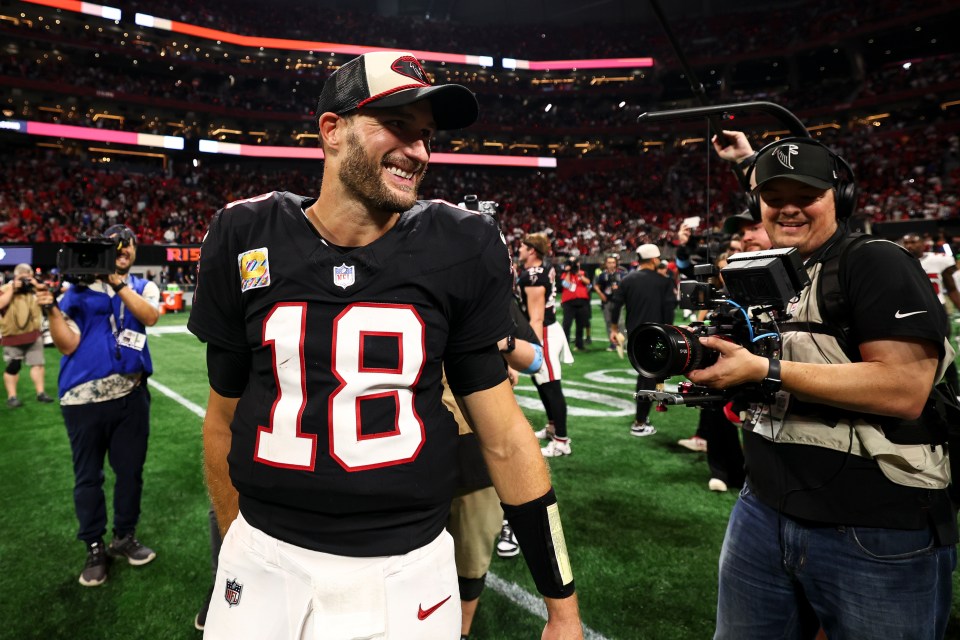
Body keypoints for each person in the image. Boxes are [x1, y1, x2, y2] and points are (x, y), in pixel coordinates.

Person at [187, 51, 581, 640]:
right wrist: (239, 542)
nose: (419, 151)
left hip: (409, 566)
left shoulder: (462, 243)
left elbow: (503, 439)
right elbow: (222, 421)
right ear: (331, 130)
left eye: (426, 136)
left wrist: (562, 608)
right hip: (266, 553)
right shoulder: (245, 233)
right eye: (397, 125)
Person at [691, 132, 957, 638]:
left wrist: (763, 370)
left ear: (841, 198)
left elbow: (904, 388)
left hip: (876, 523)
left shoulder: (875, 260)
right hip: (762, 507)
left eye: (806, 196)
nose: (788, 210)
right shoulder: (778, 271)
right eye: (774, 200)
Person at [36, 224, 160, 587]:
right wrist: (51, 311)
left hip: (130, 396)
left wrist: (117, 283)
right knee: (88, 476)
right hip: (82, 400)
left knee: (130, 472)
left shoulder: (140, 286)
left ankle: (124, 536)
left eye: (129, 245)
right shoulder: (75, 291)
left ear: (134, 252)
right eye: (115, 245)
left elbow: (150, 317)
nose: (123, 249)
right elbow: (67, 345)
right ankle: (94, 545)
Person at [608, 243, 677, 437]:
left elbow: (616, 305)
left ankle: (643, 417)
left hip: (635, 335)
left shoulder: (628, 279)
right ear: (655, 259)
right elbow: (669, 312)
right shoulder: (664, 281)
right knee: (648, 378)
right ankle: (639, 422)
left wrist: (614, 328)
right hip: (657, 335)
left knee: (646, 376)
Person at [517, 233, 574, 457]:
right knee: (542, 384)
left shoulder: (533, 275)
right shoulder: (541, 270)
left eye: (522, 246)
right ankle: (552, 427)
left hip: (544, 334)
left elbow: (536, 317)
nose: (519, 249)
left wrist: (535, 347)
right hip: (544, 332)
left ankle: (561, 441)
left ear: (532, 250)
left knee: (551, 387)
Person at [901, 232, 960, 390]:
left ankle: (954, 389)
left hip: (936, 309)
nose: (909, 246)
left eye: (913, 242)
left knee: (942, 351)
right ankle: (924, 391)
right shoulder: (898, 262)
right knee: (915, 354)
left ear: (923, 244)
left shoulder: (938, 260)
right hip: (911, 311)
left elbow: (951, 288)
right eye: (906, 243)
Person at [0, 263, 55, 407]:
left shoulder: (34, 289)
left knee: (38, 364)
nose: (25, 281)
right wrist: (13, 288)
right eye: (22, 278)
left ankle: (41, 392)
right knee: (13, 366)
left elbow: (49, 297)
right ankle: (12, 397)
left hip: (33, 334)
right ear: (15, 276)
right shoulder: (5, 289)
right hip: (12, 335)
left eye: (28, 277)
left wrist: (36, 285)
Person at [593, 254, 626, 352]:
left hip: (618, 302)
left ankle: (622, 343)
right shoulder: (602, 275)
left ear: (616, 264)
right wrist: (600, 294)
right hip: (607, 302)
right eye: (609, 262)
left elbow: (627, 286)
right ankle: (612, 343)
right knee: (608, 322)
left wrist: (619, 289)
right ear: (606, 264)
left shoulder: (622, 274)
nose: (611, 264)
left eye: (613, 262)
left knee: (620, 323)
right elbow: (596, 285)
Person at [559, 257, 592, 351]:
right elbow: (566, 285)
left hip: (582, 301)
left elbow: (588, 282)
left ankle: (579, 345)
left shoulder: (582, 273)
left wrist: (578, 274)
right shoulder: (564, 274)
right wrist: (569, 272)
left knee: (580, 324)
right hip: (569, 303)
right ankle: (565, 346)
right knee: (567, 324)